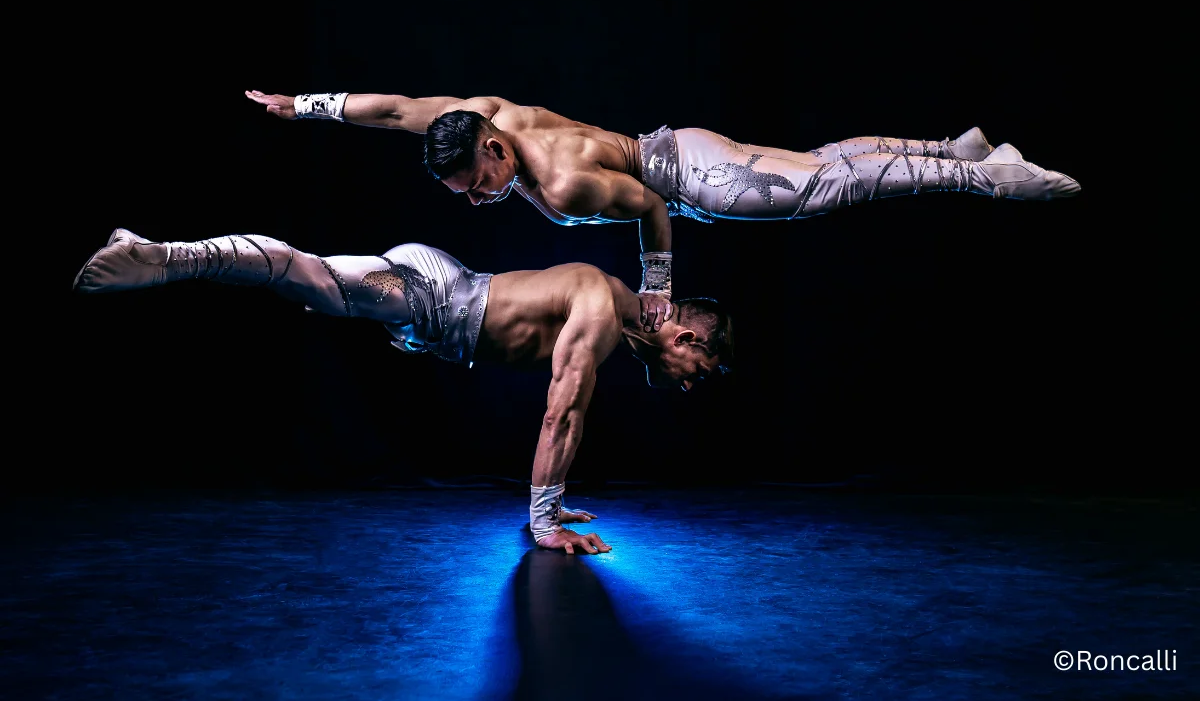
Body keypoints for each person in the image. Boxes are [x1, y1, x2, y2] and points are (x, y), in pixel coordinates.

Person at [73, 228, 734, 555]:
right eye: (697, 371)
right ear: (682, 339)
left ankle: (173, 256)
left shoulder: (614, 318)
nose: (689, 384)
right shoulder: (600, 305)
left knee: (311, 282)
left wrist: (552, 506)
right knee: (302, 273)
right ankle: (163, 254)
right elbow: (563, 412)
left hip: (440, 303)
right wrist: (542, 519)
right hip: (433, 294)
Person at [245, 89, 1081, 331]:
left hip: (691, 179)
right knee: (824, 166)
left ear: (495, 151)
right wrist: (305, 106)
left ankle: (986, 178)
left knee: (828, 187)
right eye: (463, 195)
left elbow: (648, 206)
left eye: (477, 184)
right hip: (682, 146)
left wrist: (654, 288)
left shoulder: (562, 182)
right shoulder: (474, 113)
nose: (476, 200)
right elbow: (394, 112)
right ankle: (954, 149)